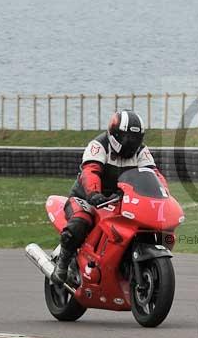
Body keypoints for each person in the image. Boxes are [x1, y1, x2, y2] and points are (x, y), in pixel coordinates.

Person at [51, 109, 168, 284]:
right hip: (87, 198)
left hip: (120, 200)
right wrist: (94, 194)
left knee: (148, 224)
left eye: (136, 139)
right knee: (81, 220)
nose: (132, 143)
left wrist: (162, 194)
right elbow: (90, 171)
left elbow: (154, 174)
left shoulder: (141, 151)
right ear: (116, 135)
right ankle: (63, 263)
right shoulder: (99, 145)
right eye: (128, 138)